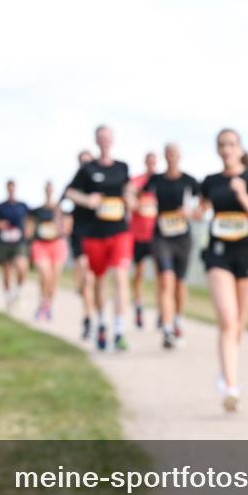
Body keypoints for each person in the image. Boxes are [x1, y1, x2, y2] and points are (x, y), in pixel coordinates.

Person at [199, 129, 248, 410]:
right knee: (227, 321)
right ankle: (231, 386)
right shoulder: (211, 181)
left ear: (240, 148)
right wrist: (194, 212)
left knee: (238, 324)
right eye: (222, 145)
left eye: (231, 144)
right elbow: (201, 208)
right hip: (218, 255)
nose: (227, 149)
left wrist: (243, 197)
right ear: (218, 150)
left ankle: (227, 368)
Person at [65, 126, 136, 352]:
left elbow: (129, 191)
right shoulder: (88, 169)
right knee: (98, 281)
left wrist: (130, 199)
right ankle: (102, 322)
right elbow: (69, 192)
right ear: (96, 140)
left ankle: (119, 329)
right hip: (94, 233)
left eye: (108, 136)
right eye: (101, 136)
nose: (105, 140)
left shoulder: (122, 167)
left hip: (120, 231)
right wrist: (87, 200)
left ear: (113, 140)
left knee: (121, 276)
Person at [147, 142, 200, 349]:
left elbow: (204, 201)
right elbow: (136, 193)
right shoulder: (156, 180)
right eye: (168, 154)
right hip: (161, 236)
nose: (171, 157)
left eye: (175, 154)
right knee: (166, 281)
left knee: (180, 283)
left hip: (183, 237)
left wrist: (192, 211)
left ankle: (178, 319)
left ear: (180, 156)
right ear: (164, 156)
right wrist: (138, 202)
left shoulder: (189, 180)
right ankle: (167, 329)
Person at [66, 150, 97, 340]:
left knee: (93, 281)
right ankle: (88, 319)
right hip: (80, 235)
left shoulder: (102, 184)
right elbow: (62, 206)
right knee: (87, 278)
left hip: (99, 235)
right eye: (82, 162)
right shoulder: (73, 186)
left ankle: (96, 317)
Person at [28, 180, 68, 321]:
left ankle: (48, 305)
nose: (49, 191)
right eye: (48, 189)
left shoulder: (60, 210)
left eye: (51, 189)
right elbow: (30, 228)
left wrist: (60, 226)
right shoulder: (38, 210)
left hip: (56, 245)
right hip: (41, 245)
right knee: (45, 275)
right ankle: (42, 303)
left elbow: (66, 229)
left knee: (53, 279)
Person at [0, 180, 31, 310]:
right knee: (6, 271)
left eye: (13, 188)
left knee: (22, 266)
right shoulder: (0, 206)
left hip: (19, 241)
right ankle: (8, 298)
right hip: (4, 242)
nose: (11, 190)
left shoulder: (22, 206)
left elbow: (30, 219)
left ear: (15, 189)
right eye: (9, 188)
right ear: (7, 189)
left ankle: (18, 291)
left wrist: (29, 230)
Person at [129, 152, 159, 329]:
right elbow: (130, 199)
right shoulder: (137, 181)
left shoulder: (160, 182)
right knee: (139, 273)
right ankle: (138, 306)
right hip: (138, 235)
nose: (152, 165)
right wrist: (138, 202)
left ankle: (161, 311)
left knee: (160, 275)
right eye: (149, 162)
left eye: (154, 162)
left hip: (156, 235)